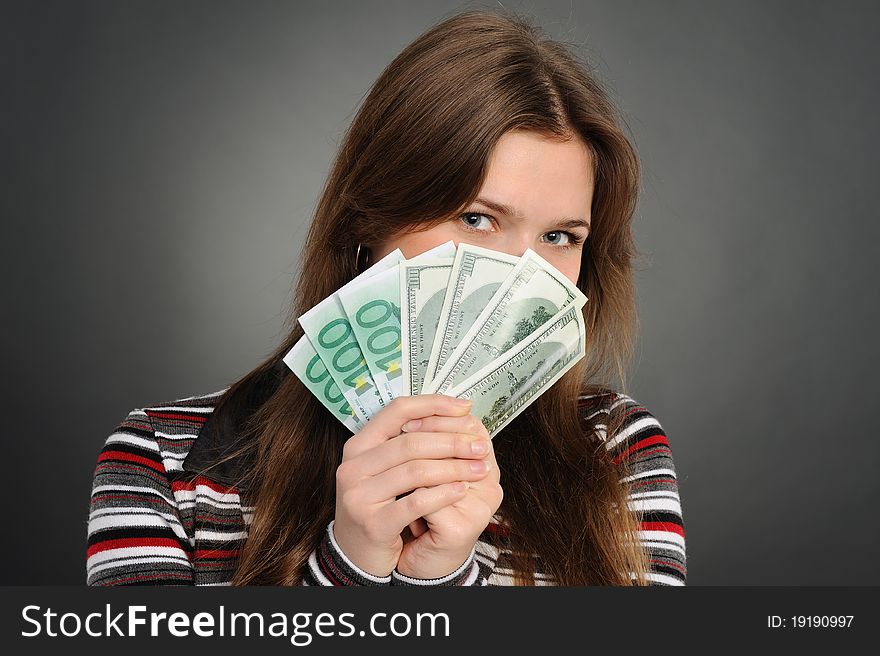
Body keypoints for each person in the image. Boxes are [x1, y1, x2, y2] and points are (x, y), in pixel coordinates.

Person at [86, 9, 686, 586]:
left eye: (560, 237)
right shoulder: (163, 463)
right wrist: (348, 569)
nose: (519, 280)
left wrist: (443, 579)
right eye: (477, 219)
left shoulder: (617, 457)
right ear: (370, 221)